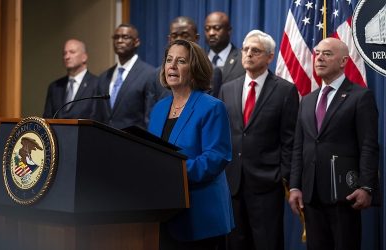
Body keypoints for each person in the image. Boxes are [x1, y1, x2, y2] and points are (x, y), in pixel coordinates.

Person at [288, 37, 379, 250]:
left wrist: (366, 186)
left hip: (344, 194)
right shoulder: (308, 100)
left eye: (327, 54)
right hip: (311, 196)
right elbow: (299, 147)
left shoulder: (360, 96)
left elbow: (369, 145)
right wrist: (294, 186)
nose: (319, 57)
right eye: (317, 53)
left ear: (343, 61)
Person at [149, 39, 234, 250]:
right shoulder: (159, 108)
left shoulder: (212, 107)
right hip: (163, 214)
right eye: (169, 60)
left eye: (181, 61)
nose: (172, 66)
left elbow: (216, 157)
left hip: (201, 216)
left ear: (195, 69)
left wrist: (173, 172)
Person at [218, 30, 299, 250]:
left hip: (266, 183)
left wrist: (283, 176)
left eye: (256, 50)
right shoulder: (227, 89)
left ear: (269, 57)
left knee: (267, 243)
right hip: (233, 183)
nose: (248, 54)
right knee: (235, 243)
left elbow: (289, 141)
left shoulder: (285, 91)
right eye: (245, 49)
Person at [94, 24, 156, 129]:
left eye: (125, 37)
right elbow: (97, 115)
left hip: (133, 142)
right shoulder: (104, 77)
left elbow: (149, 118)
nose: (119, 41)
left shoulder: (149, 74)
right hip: (104, 141)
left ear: (136, 42)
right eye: (116, 37)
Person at [43, 39, 98, 119]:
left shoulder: (97, 84)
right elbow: (47, 118)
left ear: (84, 57)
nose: (67, 57)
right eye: (64, 53)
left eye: (72, 52)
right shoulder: (55, 87)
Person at [155, 16, 200, 101]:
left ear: (196, 38)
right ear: (169, 39)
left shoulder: (209, 72)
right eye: (174, 36)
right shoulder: (156, 75)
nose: (179, 40)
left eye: (185, 35)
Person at [204, 12, 244, 97]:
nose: (211, 33)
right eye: (207, 29)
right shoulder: (199, 60)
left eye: (217, 28)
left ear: (229, 30)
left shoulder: (243, 59)